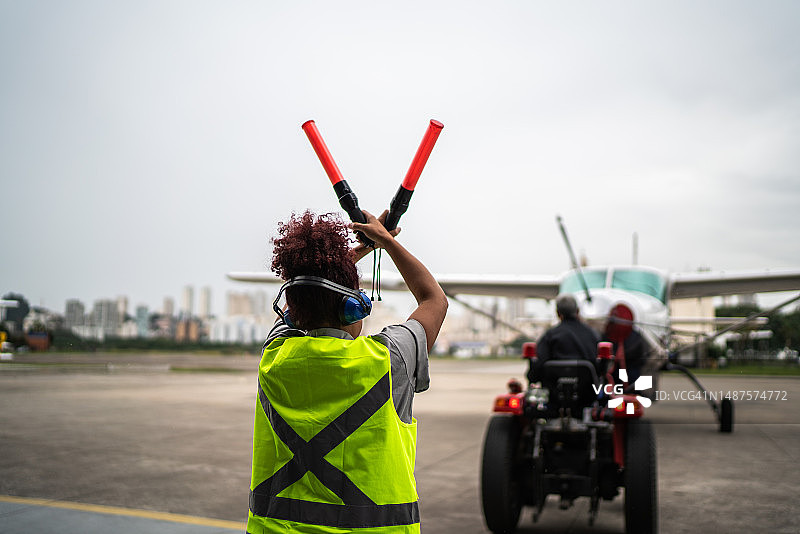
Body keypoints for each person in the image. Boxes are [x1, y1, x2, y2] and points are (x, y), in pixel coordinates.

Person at [246, 209, 448, 534]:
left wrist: (354, 254)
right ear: (352, 307)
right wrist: (384, 242)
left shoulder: (275, 357)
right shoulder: (388, 358)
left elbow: (298, 304)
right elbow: (434, 299)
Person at [527, 295, 599, 384]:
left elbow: (536, 370)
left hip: (554, 394)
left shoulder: (550, 336)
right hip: (587, 394)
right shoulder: (592, 334)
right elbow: (600, 369)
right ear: (577, 311)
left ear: (557, 313)